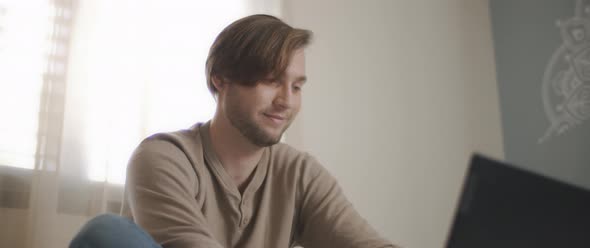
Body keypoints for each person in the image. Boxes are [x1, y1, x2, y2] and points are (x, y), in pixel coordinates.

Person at [70, 14, 399, 248]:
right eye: (271, 81)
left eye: (297, 86)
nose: (286, 100)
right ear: (221, 79)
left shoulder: (302, 175)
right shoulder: (162, 158)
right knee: (107, 234)